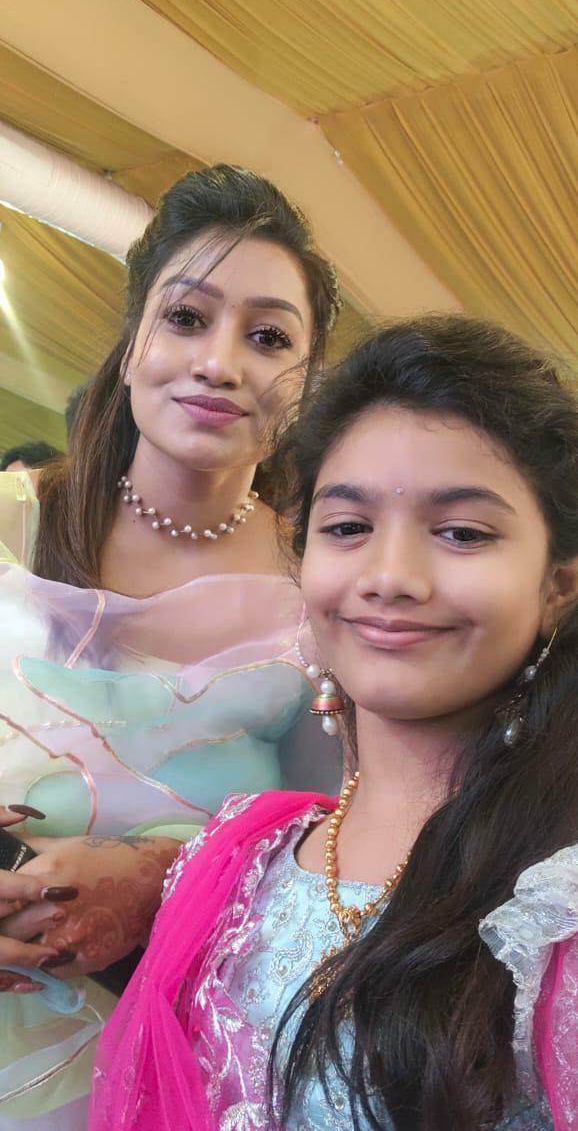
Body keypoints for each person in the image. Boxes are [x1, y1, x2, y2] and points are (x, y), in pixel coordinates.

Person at [92, 315, 578, 1131]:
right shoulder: (236, 856)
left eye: (462, 533)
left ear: (557, 587)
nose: (388, 577)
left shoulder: (556, 907)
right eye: (347, 528)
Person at [0, 165, 341, 1126]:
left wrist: (166, 878)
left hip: (179, 1052)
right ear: (132, 345)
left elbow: (349, 842)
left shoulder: (325, 588)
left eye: (268, 337)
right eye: (187, 318)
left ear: (306, 386)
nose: (219, 363)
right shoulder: (13, 525)